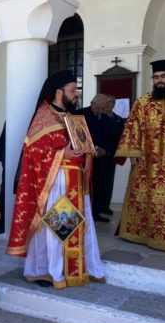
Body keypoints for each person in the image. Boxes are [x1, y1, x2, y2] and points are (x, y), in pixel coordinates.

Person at [7, 70, 105, 289]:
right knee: (56, 226)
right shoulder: (44, 116)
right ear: (58, 92)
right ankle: (49, 270)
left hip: (75, 180)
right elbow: (34, 153)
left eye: (76, 90)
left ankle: (75, 268)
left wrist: (89, 151)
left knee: (77, 224)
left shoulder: (72, 117)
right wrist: (62, 154)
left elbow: (79, 144)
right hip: (55, 182)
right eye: (73, 90)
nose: (76, 94)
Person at [115, 59, 165, 252]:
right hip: (147, 161)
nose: (160, 80)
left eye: (164, 76)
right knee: (145, 197)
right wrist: (133, 152)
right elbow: (133, 127)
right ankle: (142, 234)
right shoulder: (142, 102)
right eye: (156, 77)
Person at [76, 94, 113, 222]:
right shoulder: (80, 114)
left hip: (100, 158)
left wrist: (105, 149)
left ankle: (95, 212)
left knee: (99, 185)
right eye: (98, 108)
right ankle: (82, 211)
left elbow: (111, 137)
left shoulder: (106, 118)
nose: (100, 111)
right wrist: (89, 149)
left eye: (103, 108)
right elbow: (77, 135)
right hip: (84, 158)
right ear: (92, 104)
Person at [99, 95, 124, 216]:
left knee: (109, 181)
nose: (110, 104)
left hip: (112, 154)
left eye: (113, 102)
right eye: (108, 102)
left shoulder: (118, 119)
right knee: (100, 181)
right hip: (101, 154)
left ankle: (106, 205)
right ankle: (98, 206)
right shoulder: (99, 117)